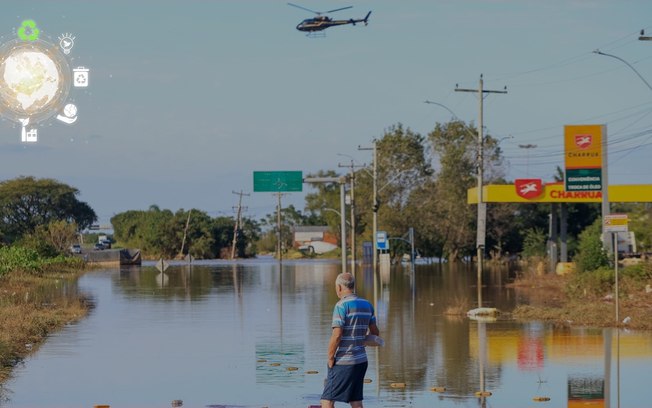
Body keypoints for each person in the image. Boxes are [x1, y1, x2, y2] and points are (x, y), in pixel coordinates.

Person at [321, 272, 380, 408]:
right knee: (356, 401)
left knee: (327, 400)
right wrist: (360, 337)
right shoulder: (367, 305)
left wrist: (330, 357)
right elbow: (375, 332)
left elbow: (337, 335)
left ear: (340, 287)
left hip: (344, 361)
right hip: (361, 361)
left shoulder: (341, 306)